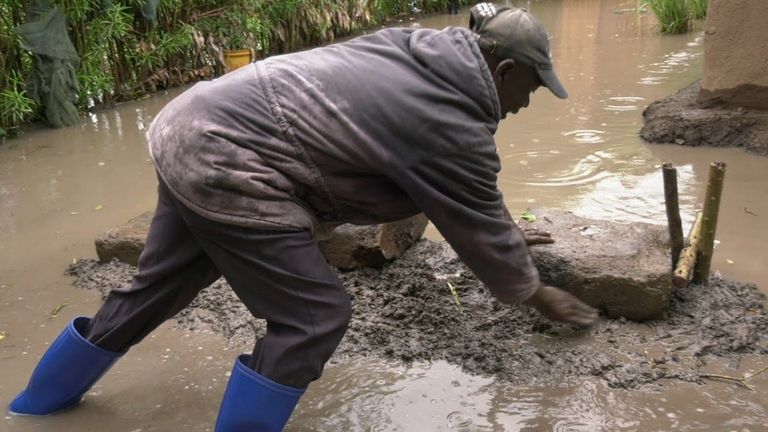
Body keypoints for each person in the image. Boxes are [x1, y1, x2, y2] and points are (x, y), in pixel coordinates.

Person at [9, 3, 598, 431]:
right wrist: (536, 292)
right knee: (315, 315)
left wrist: (499, 232)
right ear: (503, 73)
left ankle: (36, 405)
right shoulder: (452, 123)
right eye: (532, 88)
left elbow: (462, 198)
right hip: (230, 162)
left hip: (190, 126)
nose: (526, 103)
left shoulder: (416, 50)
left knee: (158, 286)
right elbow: (466, 195)